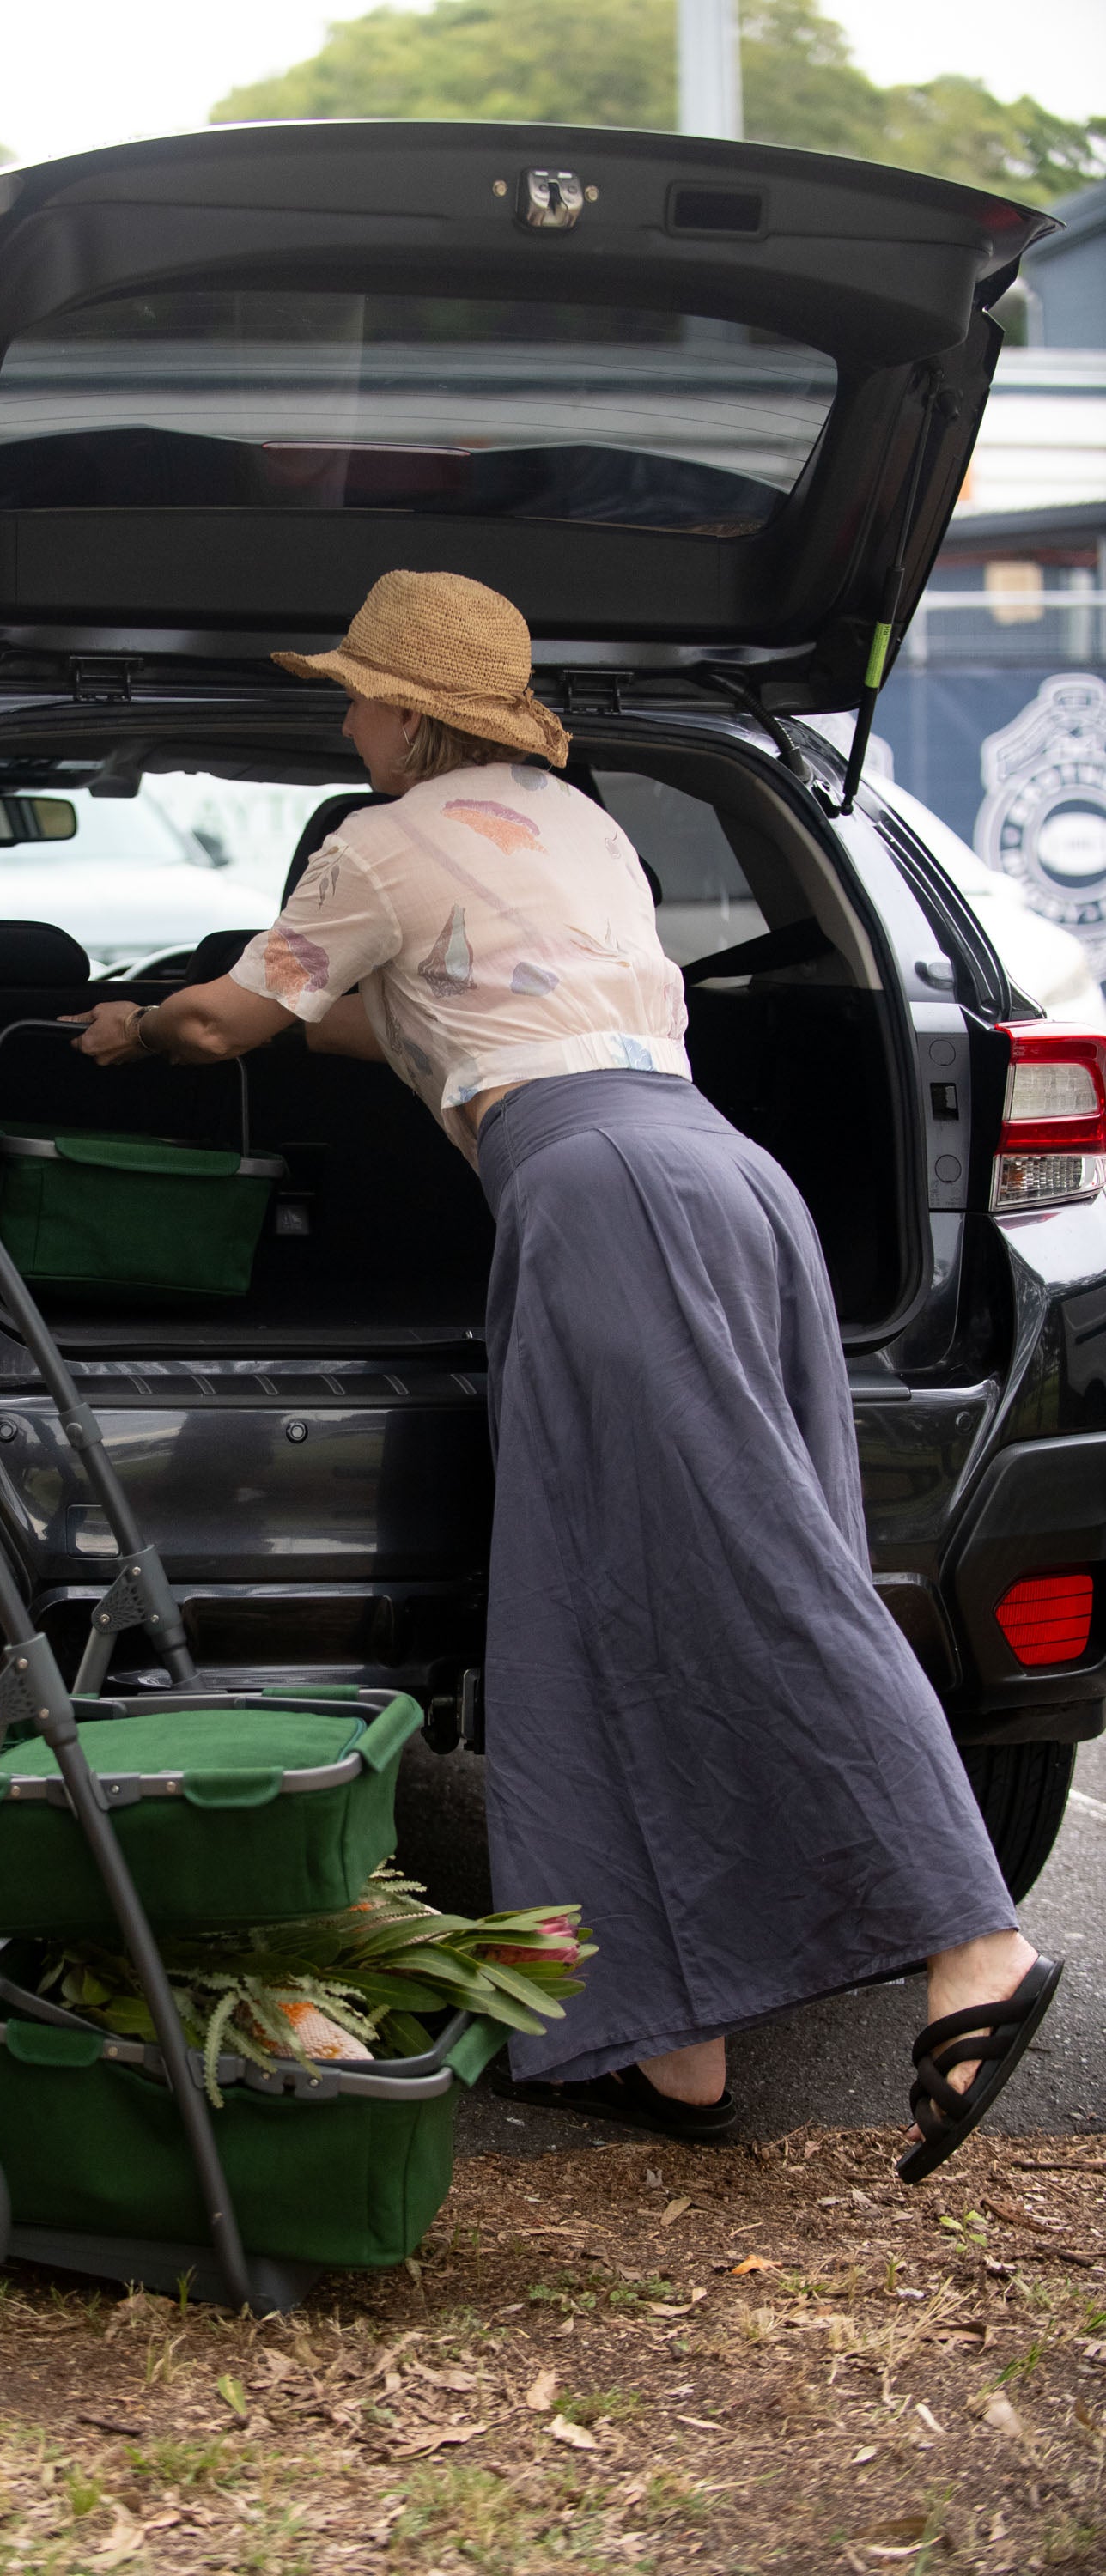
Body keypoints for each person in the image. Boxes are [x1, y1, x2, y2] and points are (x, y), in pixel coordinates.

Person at [65, 567, 1060, 2178]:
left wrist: (139, 1029)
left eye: (356, 693)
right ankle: (673, 2048)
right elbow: (403, 1026)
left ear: (405, 712)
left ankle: (974, 1945)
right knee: (610, 1598)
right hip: (720, 1179)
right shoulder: (576, 827)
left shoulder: (377, 844)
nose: (344, 715)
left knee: (756, 1573)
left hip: (601, 1197)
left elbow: (237, 1029)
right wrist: (276, 1003)